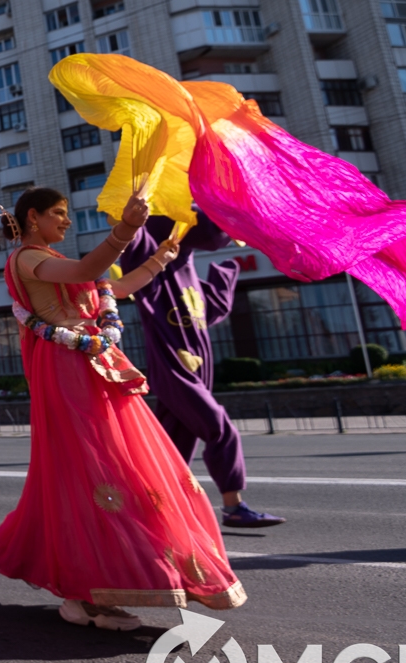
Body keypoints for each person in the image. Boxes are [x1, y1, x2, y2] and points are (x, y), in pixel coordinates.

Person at [0, 187, 247, 631]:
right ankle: (89, 596)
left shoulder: (51, 259)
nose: (66, 221)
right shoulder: (26, 257)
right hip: (67, 367)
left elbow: (113, 287)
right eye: (58, 214)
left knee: (118, 471)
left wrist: (161, 259)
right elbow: (88, 268)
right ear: (32, 218)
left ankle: (86, 593)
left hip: (96, 365)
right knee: (99, 474)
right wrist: (126, 229)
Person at [118, 214, 284, 528]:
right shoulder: (153, 266)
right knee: (220, 428)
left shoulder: (188, 266)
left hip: (198, 367)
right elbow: (135, 245)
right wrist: (132, 219)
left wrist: (225, 279)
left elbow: (208, 311)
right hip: (173, 367)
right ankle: (233, 507)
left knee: (171, 447)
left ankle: (143, 507)